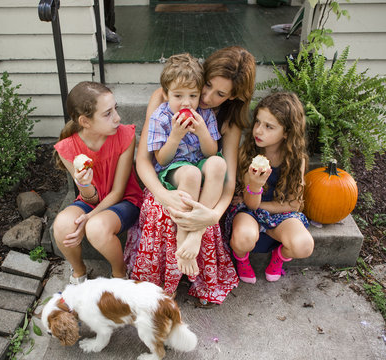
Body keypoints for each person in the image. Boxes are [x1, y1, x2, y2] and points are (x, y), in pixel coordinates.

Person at [124, 46, 256, 305]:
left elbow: (226, 177)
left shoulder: (224, 118)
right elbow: (145, 161)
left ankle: (193, 240)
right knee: (161, 208)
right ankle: (164, 283)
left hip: (208, 186)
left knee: (212, 172)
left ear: (232, 97)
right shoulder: (166, 99)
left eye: (219, 94)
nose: (204, 97)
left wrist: (209, 218)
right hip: (171, 178)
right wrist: (164, 196)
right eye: (206, 85)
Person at [52, 81, 142, 284]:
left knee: (95, 227)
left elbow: (118, 192)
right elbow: (89, 197)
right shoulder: (68, 148)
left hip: (125, 201)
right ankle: (79, 273)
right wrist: (84, 185)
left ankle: (120, 274)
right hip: (93, 200)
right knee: (62, 225)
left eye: (115, 109)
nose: (117, 118)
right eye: (107, 113)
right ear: (85, 121)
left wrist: (89, 218)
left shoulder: (125, 136)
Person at [147, 53, 226, 278]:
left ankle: (196, 234)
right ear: (165, 94)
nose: (186, 102)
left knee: (219, 164)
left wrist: (202, 131)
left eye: (193, 95)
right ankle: (183, 233)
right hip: (173, 170)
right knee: (191, 173)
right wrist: (175, 136)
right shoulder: (160, 118)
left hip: (199, 162)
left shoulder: (205, 114)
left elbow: (211, 152)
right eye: (178, 95)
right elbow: (160, 159)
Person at [225, 92, 314, 284]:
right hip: (248, 212)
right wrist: (255, 184)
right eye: (258, 122)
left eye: (268, 127)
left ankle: (279, 256)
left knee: (304, 245)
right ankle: (241, 259)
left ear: (286, 133)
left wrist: (267, 211)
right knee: (243, 238)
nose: (258, 130)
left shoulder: (297, 159)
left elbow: (294, 204)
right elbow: (250, 204)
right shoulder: (248, 154)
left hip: (281, 216)